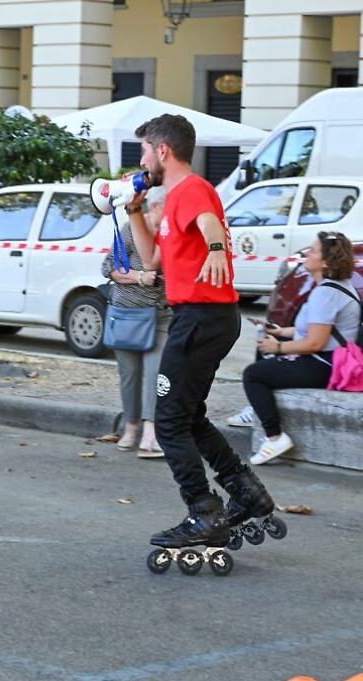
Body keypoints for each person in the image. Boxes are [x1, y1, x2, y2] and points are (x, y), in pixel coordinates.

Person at [126, 114, 277, 552]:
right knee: (188, 417)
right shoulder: (171, 200)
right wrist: (134, 210)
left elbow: (210, 222)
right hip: (206, 318)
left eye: (144, 151)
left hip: (201, 317)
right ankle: (245, 491)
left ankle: (203, 512)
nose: (142, 161)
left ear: (163, 151)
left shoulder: (192, 189)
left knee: (169, 421)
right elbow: (152, 259)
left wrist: (215, 248)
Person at [242, 232, 361, 465]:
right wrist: (280, 332)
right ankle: (257, 411)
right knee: (263, 358)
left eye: (313, 251)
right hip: (327, 358)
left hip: (324, 365)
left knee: (253, 375)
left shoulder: (325, 293)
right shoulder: (336, 286)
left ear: (326, 262)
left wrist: (277, 348)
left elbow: (315, 343)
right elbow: (314, 331)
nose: (307, 253)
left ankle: (274, 436)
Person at [101, 185, 169, 459]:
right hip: (127, 314)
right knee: (129, 376)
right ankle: (130, 427)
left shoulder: (169, 235)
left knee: (155, 374)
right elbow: (108, 268)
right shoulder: (129, 231)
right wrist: (140, 277)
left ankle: (151, 432)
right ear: (154, 207)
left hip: (161, 314)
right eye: (168, 209)